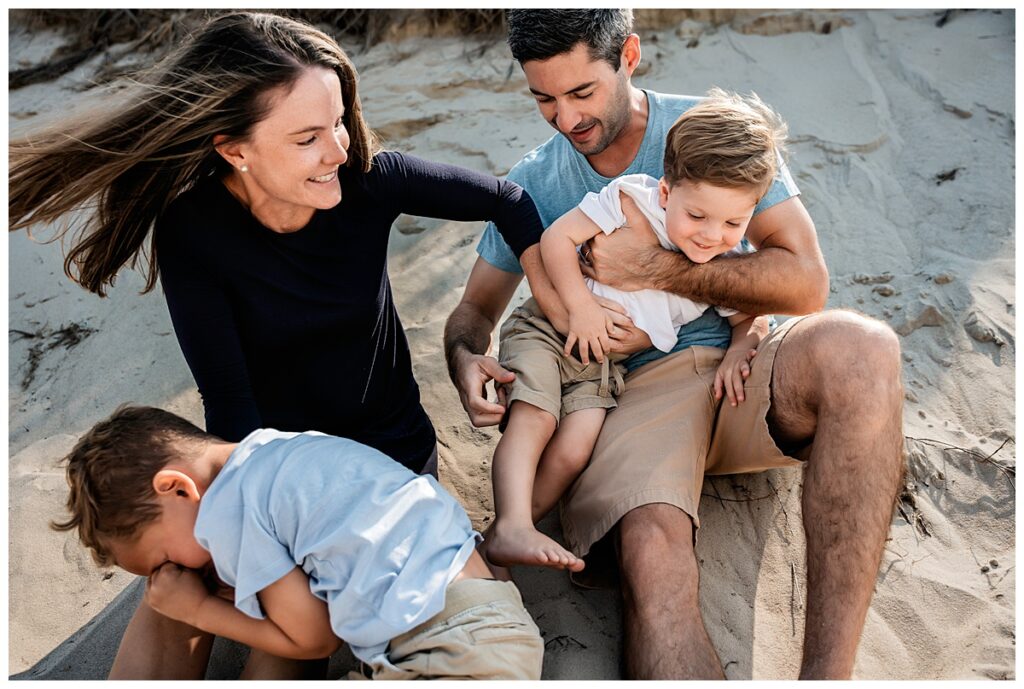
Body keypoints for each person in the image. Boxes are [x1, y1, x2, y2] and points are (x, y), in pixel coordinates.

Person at [9, 11, 550, 679]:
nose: (338, 149)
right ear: (234, 148)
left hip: (385, 475)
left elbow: (513, 201)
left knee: (283, 630)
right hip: (271, 471)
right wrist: (248, 531)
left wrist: (558, 300)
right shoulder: (193, 231)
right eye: (306, 137)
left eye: (339, 121)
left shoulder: (372, 180)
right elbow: (229, 399)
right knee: (180, 581)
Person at [444, 9, 905, 680]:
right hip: (633, 394)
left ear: (629, 54)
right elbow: (473, 311)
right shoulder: (537, 180)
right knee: (653, 549)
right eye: (543, 97)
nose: (565, 118)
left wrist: (660, 269)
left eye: (582, 93)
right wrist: (465, 359)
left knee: (866, 350)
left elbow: (806, 283)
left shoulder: (713, 138)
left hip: (743, 374)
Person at [484, 89, 786, 571]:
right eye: (697, 216)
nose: (712, 234)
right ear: (668, 194)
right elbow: (556, 240)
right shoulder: (634, 201)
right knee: (535, 418)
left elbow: (752, 316)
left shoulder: (722, 263)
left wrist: (739, 349)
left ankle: (505, 541)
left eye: (734, 221)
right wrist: (580, 307)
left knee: (574, 449)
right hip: (548, 330)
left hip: (601, 365)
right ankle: (511, 521)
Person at [51, 405, 544, 680]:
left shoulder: (229, 510)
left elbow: (313, 638)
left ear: (177, 488)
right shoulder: (278, 451)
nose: (173, 572)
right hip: (488, 617)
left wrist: (197, 610)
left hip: (445, 646)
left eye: (163, 559)